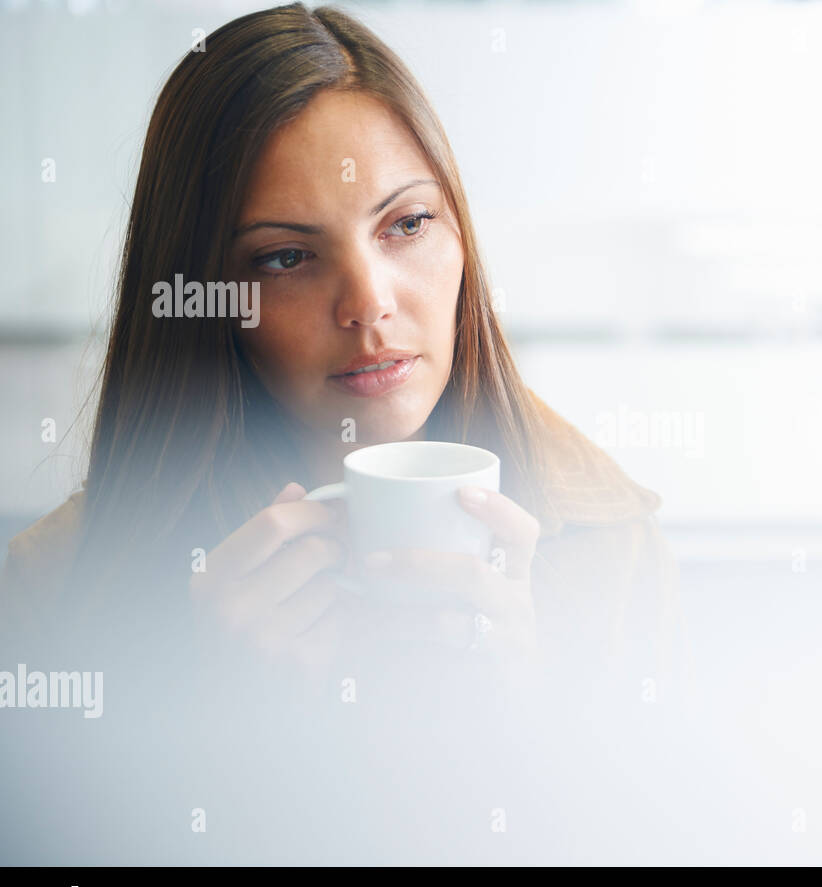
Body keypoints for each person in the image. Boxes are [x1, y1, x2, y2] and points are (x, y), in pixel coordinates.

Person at [0, 2, 685, 696]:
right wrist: (203, 712)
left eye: (408, 223)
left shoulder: (613, 547)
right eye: (287, 257)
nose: (367, 304)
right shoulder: (48, 596)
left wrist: (526, 721)